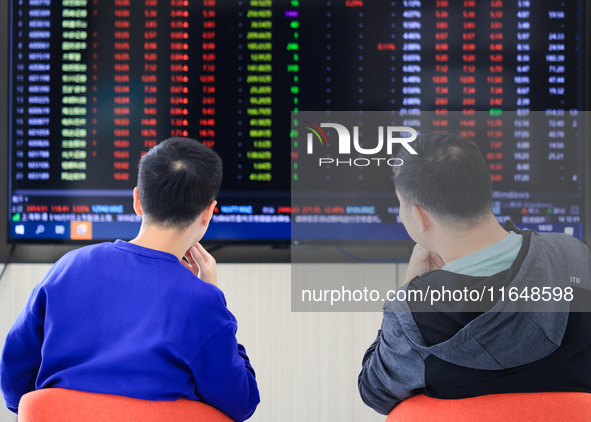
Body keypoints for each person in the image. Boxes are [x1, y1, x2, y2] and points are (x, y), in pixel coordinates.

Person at [0, 137, 260, 421]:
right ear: (208, 213)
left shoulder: (69, 266)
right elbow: (240, 402)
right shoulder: (202, 300)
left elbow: (14, 385)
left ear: (137, 199)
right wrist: (212, 294)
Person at [358, 132, 591, 415]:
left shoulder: (414, 313)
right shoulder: (574, 255)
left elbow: (374, 391)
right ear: (484, 190)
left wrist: (408, 288)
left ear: (419, 216)